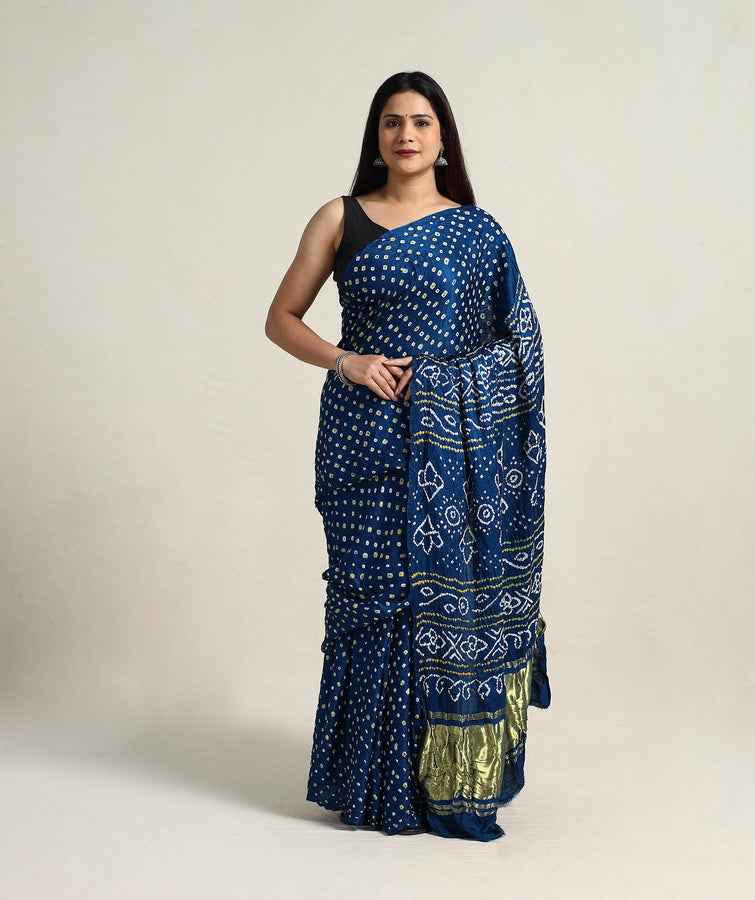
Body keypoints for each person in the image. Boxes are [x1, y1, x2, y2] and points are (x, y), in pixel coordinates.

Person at [265, 71, 550, 841]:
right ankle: (369, 784)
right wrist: (346, 360)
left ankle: (438, 788)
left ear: (443, 138)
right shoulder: (340, 217)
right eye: (392, 122)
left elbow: (518, 345)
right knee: (373, 600)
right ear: (376, 136)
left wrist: (448, 387)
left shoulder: (478, 232)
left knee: (433, 606)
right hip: (363, 439)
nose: (406, 135)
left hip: (455, 448)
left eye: (421, 122)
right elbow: (281, 318)